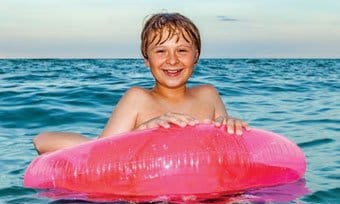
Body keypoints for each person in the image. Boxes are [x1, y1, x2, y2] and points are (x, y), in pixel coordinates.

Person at [33, 12, 249, 155]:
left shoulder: (208, 95)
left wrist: (232, 126)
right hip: (148, 201)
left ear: (196, 56)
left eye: (182, 50)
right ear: (147, 60)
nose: (172, 60)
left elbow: (226, 151)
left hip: (202, 195)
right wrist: (142, 131)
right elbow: (98, 152)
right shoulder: (138, 99)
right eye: (161, 51)